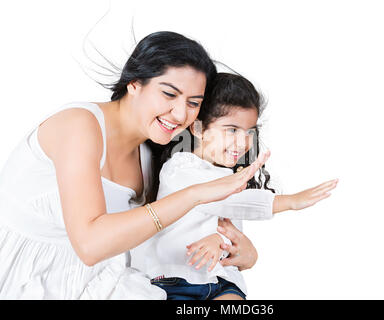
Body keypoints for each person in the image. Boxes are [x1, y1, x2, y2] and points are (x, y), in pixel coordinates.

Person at [0, 32, 269, 299]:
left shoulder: (153, 155)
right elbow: (90, 245)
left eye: (193, 103)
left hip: (108, 284)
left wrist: (243, 254)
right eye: (168, 94)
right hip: (27, 283)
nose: (180, 114)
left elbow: (170, 240)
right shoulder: (78, 125)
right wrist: (193, 194)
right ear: (134, 83)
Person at [131, 73, 338, 300]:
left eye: (249, 132)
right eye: (232, 130)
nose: (243, 142)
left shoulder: (228, 174)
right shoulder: (179, 170)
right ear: (198, 129)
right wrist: (290, 201)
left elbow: (230, 229)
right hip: (176, 281)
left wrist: (221, 241)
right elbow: (226, 201)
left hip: (222, 280)